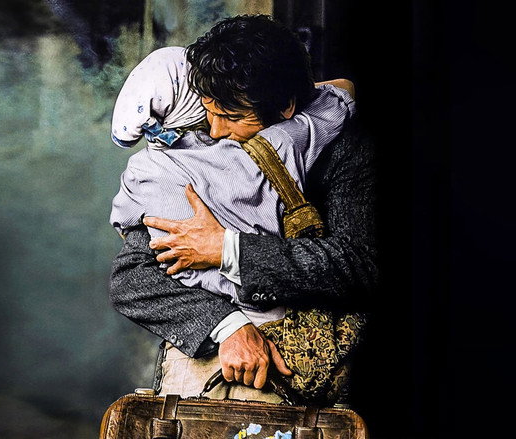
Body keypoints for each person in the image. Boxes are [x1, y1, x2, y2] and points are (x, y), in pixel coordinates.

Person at [109, 15, 377, 402]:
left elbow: (359, 266)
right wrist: (228, 326)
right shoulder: (189, 154)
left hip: (316, 363)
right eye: (209, 112)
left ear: (285, 107)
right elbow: (133, 277)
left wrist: (227, 249)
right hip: (212, 362)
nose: (216, 130)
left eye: (232, 118)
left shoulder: (344, 149)